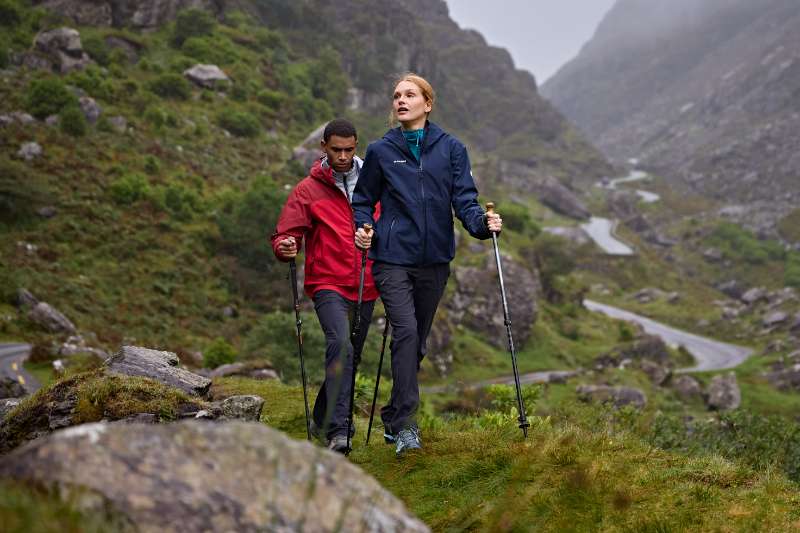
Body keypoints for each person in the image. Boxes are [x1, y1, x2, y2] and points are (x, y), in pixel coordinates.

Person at [352, 73, 502, 455]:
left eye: (410, 95)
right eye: (396, 96)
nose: (401, 100)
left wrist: (483, 227)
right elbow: (363, 200)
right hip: (392, 258)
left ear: (427, 104)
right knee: (404, 332)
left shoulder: (452, 149)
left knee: (416, 342)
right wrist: (364, 226)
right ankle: (405, 426)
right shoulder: (381, 151)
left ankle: (391, 413)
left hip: (435, 260)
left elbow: (465, 201)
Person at [271, 118, 377, 454]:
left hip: (366, 282)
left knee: (350, 356)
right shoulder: (308, 189)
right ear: (324, 148)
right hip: (327, 282)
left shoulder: (374, 183)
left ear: (356, 145)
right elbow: (287, 233)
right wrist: (286, 245)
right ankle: (339, 430)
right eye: (336, 150)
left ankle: (320, 416)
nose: (343, 156)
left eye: (349, 149)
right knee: (341, 345)